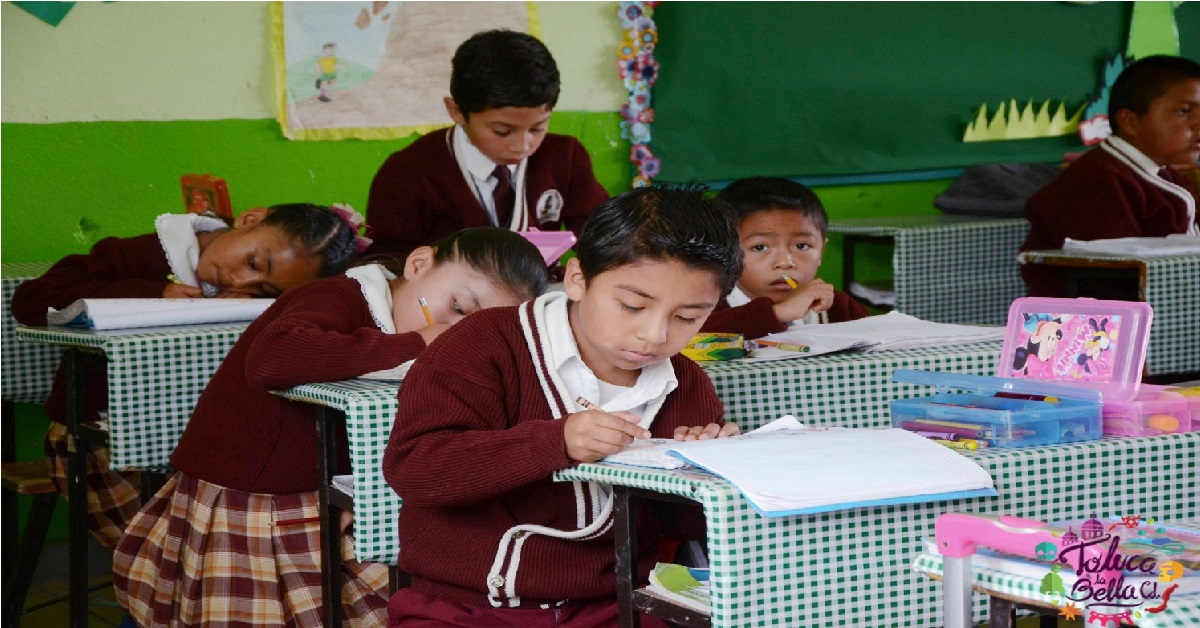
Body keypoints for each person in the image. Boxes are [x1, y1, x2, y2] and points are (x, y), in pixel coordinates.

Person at [112, 227, 548, 628]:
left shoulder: (427, 330)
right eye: (456, 308)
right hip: (255, 499)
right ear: (418, 265)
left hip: (334, 493)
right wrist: (416, 343)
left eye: (475, 328)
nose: (455, 331)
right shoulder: (339, 296)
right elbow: (271, 357)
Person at [382, 186, 742, 627]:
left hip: (616, 607)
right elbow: (417, 469)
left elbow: (681, 528)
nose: (654, 334)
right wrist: (555, 440)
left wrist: (709, 471)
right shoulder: (484, 342)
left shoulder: (684, 383)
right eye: (631, 305)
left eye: (688, 317)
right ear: (577, 278)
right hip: (467, 607)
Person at [10, 203, 363, 551]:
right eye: (253, 263)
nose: (242, 281)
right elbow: (31, 300)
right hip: (97, 438)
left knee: (230, 532)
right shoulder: (145, 255)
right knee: (166, 546)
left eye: (264, 290)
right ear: (249, 219)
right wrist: (155, 295)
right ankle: (160, 600)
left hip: (197, 445)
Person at [365, 29, 609, 260]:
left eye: (537, 128)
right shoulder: (407, 173)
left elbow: (604, 239)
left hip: (539, 297)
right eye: (502, 131)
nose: (522, 146)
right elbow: (389, 261)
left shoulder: (564, 157)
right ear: (457, 111)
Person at [1020, 55, 1200, 297]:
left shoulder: (1168, 176)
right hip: (1088, 326)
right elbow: (1113, 278)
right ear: (1130, 121)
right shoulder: (1097, 182)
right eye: (1184, 111)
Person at [701, 177, 869, 339]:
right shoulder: (705, 306)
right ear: (724, 253)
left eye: (802, 246)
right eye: (760, 247)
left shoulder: (838, 307)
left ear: (821, 252)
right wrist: (778, 313)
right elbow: (692, 336)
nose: (785, 262)